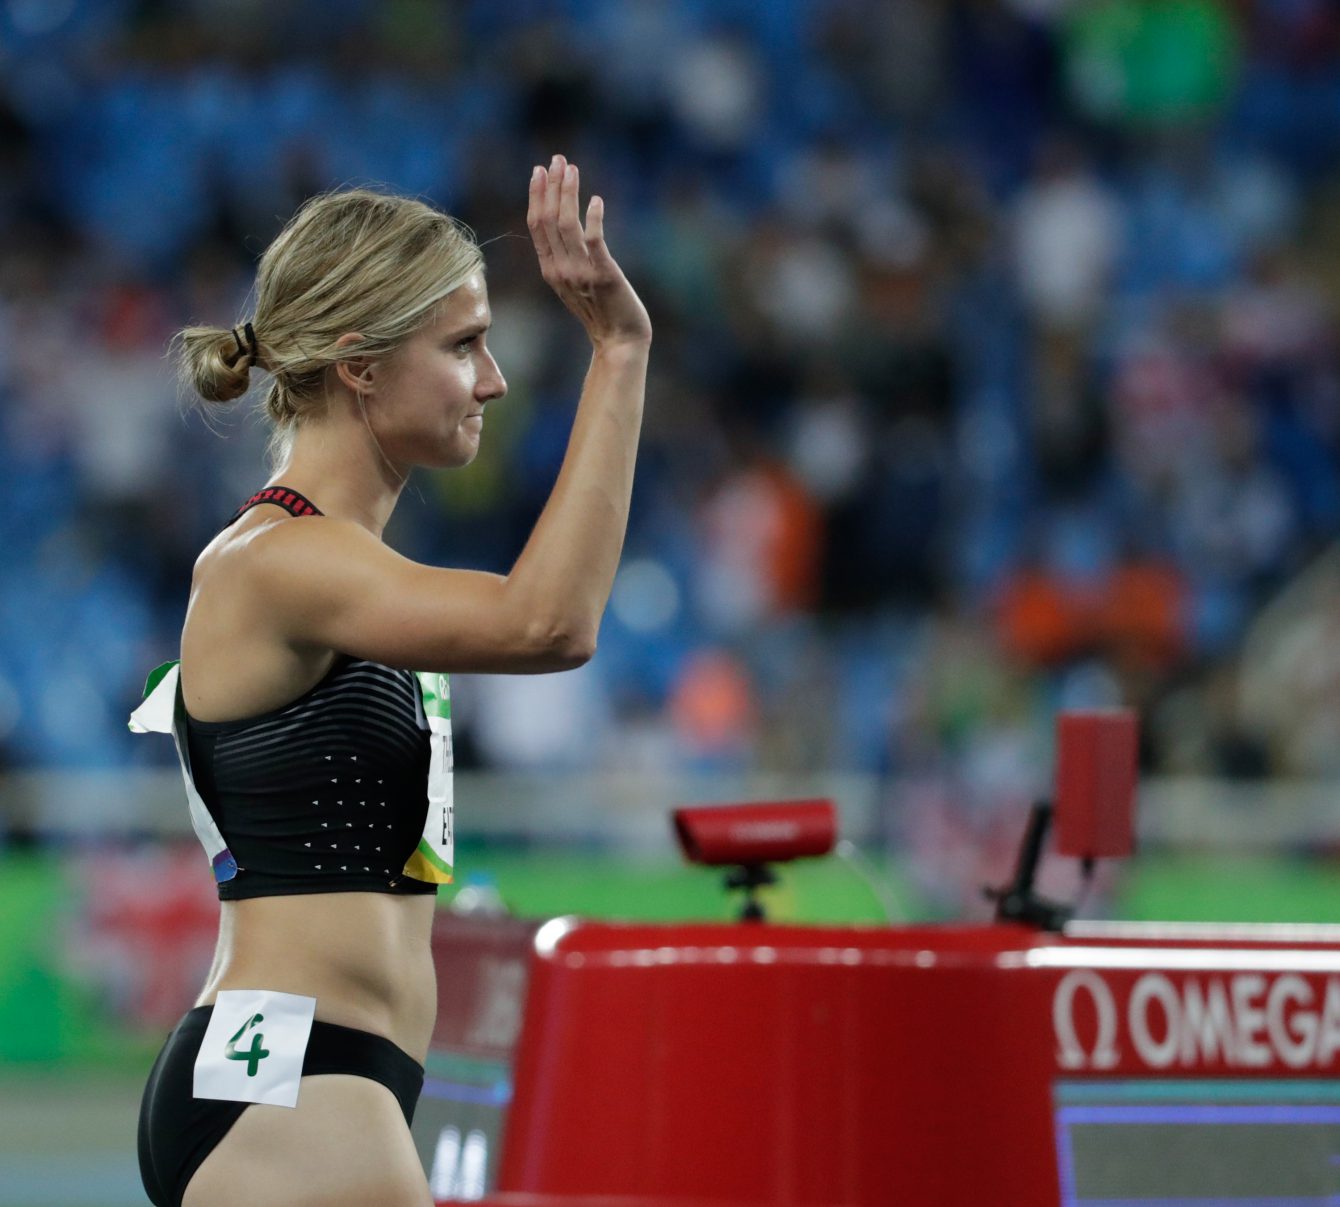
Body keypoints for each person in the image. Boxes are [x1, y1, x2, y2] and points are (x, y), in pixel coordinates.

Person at [132, 154, 651, 1207]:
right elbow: (548, 621)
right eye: (463, 345)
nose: (493, 380)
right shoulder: (277, 562)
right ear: (359, 365)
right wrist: (619, 354)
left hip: (312, 1075)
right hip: (294, 1081)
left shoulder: (349, 573)